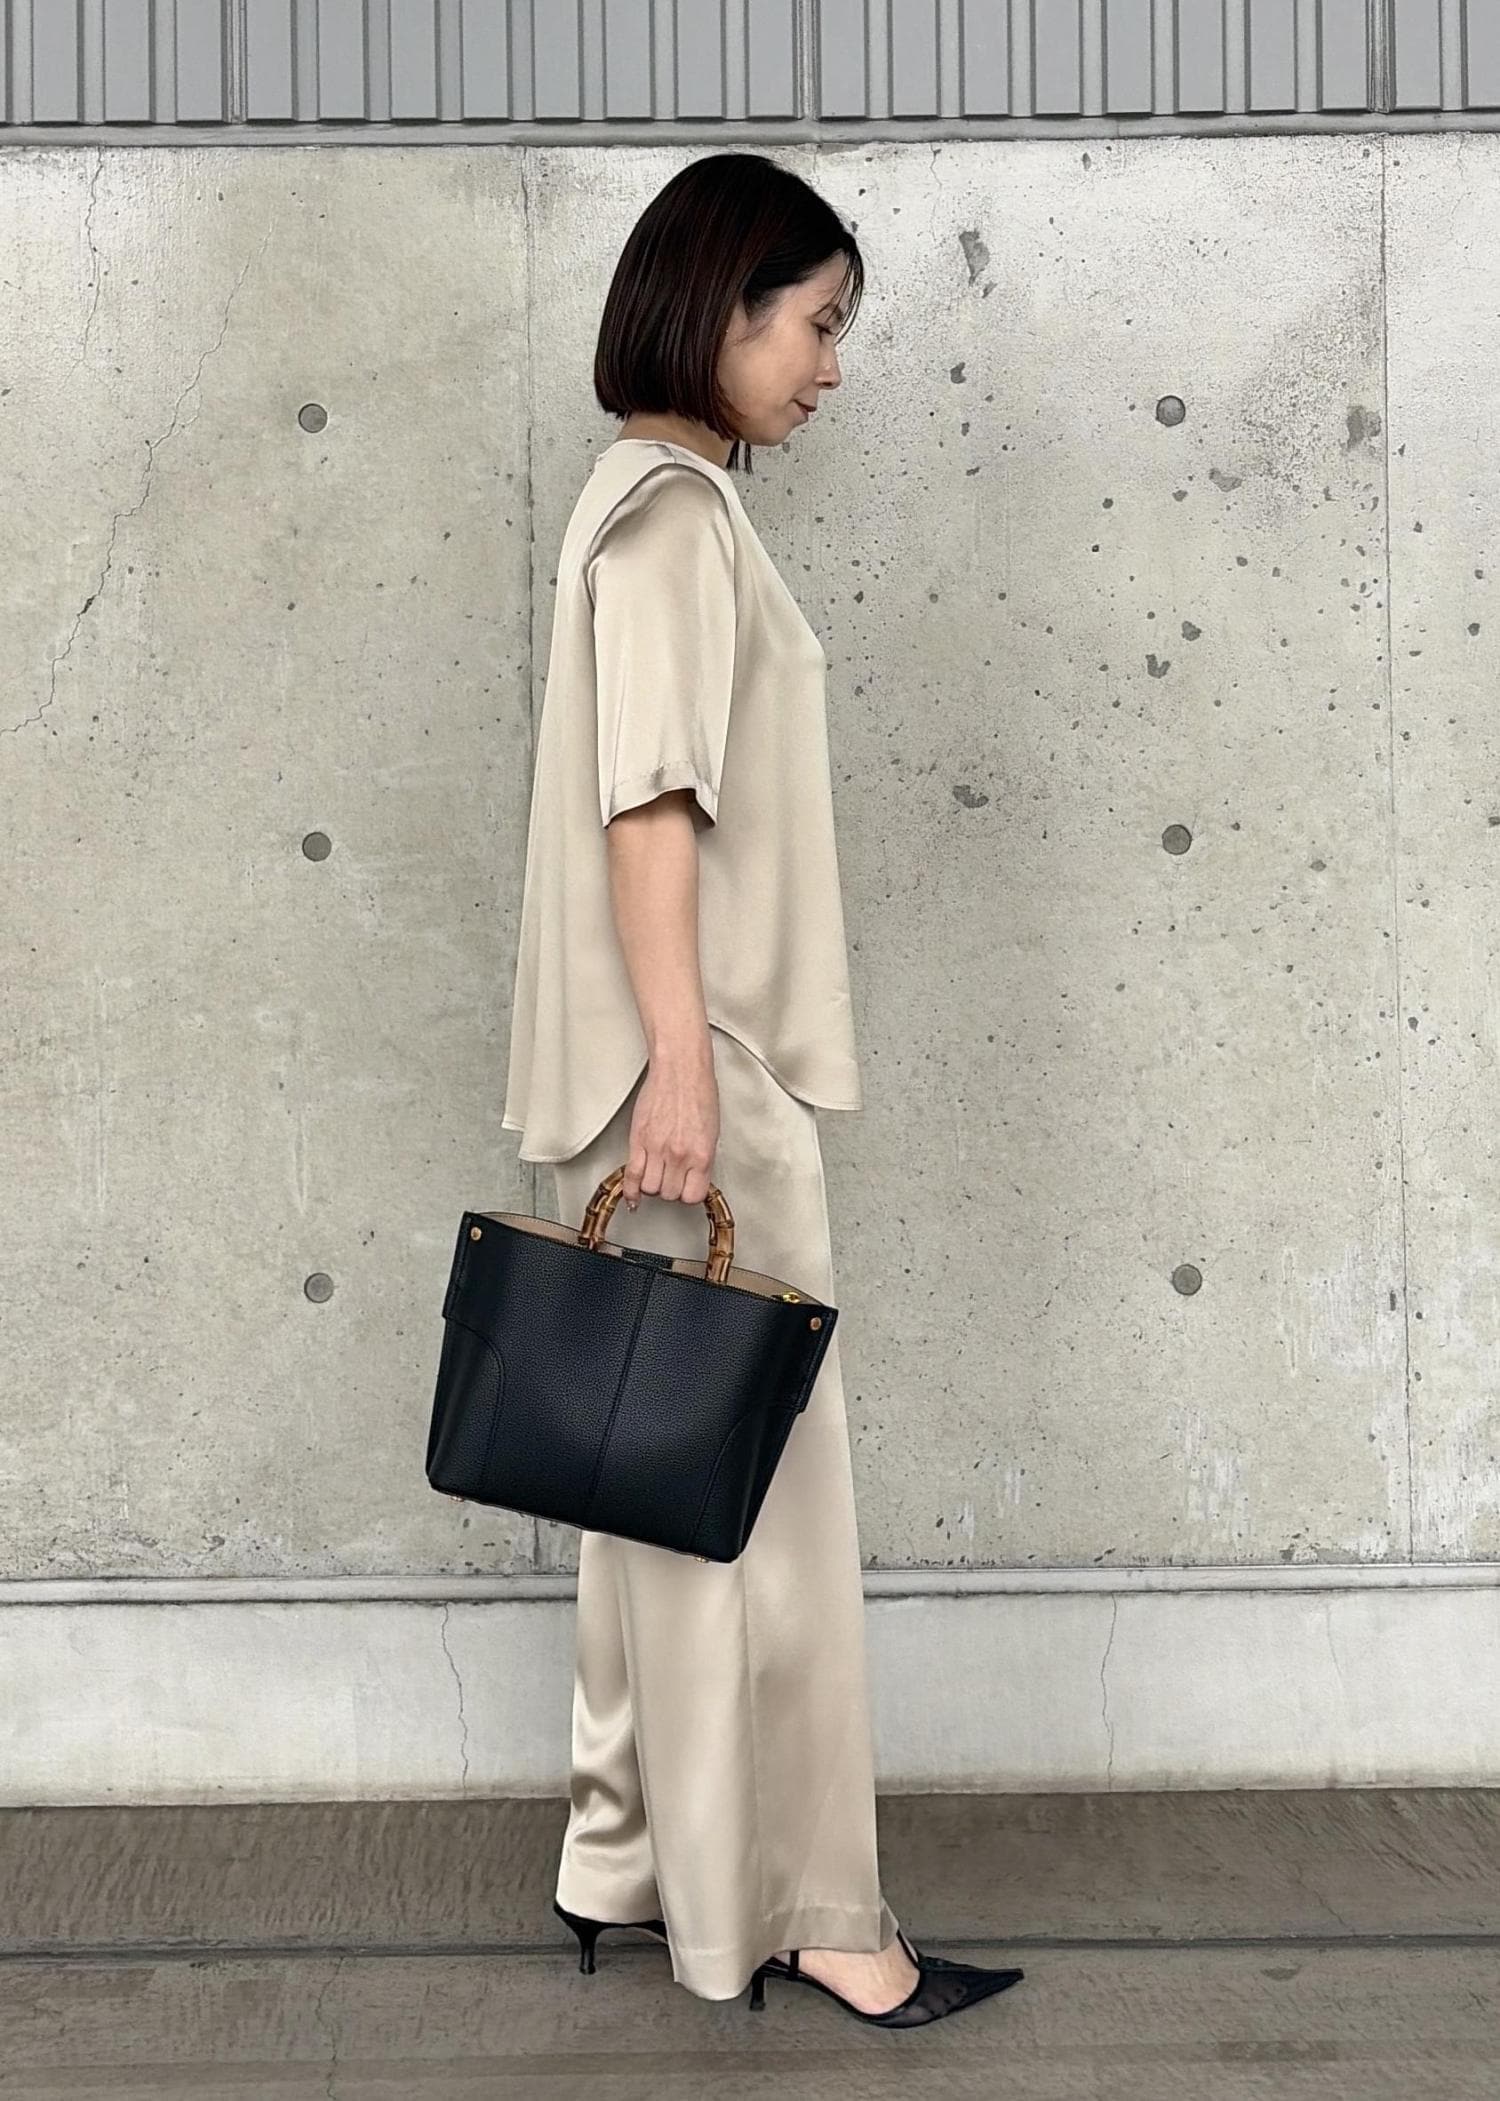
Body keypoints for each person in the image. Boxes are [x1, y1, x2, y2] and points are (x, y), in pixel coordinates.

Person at [501, 150, 1024, 2028]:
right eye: (813, 323)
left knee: (653, 1499)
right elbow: (652, 812)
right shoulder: (670, 525)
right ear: (715, 309)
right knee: (762, 1519)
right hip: (703, 1065)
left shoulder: (648, 503)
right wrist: (684, 1071)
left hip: (668, 1058)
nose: (830, 366)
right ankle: (809, 1916)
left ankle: (628, 1860)